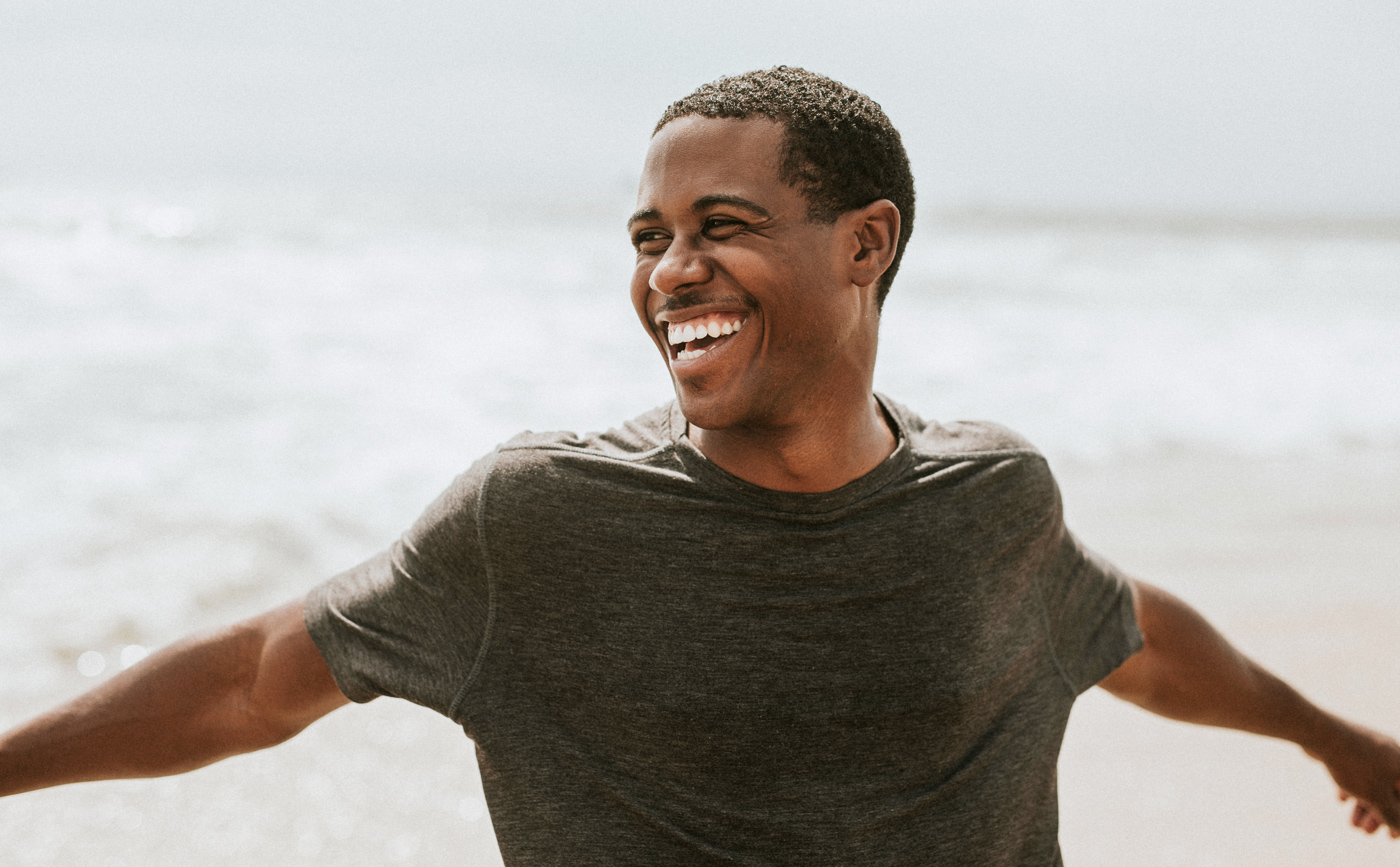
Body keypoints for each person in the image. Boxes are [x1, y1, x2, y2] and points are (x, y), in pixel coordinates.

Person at [1, 66, 1397, 865]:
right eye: (646, 236)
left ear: (865, 243)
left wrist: (1338, 739)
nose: (672, 272)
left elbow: (1135, 635)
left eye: (719, 224)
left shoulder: (995, 502)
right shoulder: (539, 519)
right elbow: (255, 678)